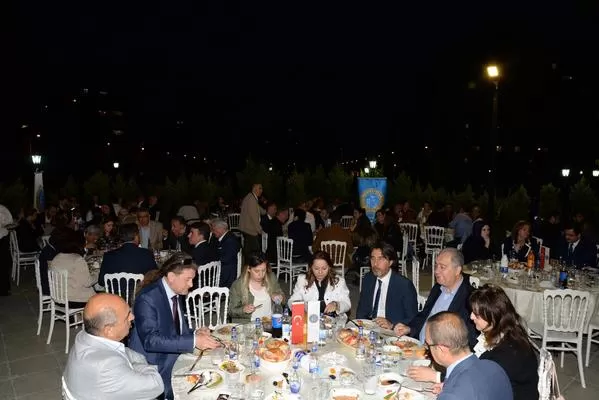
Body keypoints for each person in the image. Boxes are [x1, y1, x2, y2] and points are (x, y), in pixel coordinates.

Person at [128, 253, 220, 400]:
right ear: (171, 276)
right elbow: (151, 341)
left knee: (212, 370)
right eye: (187, 279)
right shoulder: (147, 298)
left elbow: (175, 328)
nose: (191, 285)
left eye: (192, 279)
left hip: (170, 354)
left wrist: (195, 333)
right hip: (153, 364)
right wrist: (194, 341)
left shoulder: (174, 292)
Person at [63, 293, 164, 399]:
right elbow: (156, 385)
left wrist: (134, 362)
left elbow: (126, 352)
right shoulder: (108, 366)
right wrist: (142, 366)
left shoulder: (83, 337)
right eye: (127, 316)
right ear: (109, 330)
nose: (132, 317)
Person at [393, 248, 478, 347]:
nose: (436, 271)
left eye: (442, 267)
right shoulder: (438, 288)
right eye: (436, 265)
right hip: (418, 346)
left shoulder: (470, 298)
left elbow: (468, 339)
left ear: (457, 270)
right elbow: (424, 315)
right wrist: (409, 328)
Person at [425, 311, 513, 400]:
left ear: (441, 349)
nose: (427, 348)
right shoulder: (494, 366)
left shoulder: (452, 395)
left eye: (428, 344)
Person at [356, 242, 418, 329]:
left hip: (392, 331)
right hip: (369, 327)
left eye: (380, 259)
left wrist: (392, 325)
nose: (375, 264)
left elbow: (413, 318)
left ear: (390, 262)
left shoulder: (404, 285)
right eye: (373, 259)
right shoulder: (368, 279)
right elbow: (361, 310)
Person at [287, 251, 351, 315]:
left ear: (329, 267)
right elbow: (291, 301)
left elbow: (347, 303)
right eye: (316, 268)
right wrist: (299, 305)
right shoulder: (302, 280)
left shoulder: (339, 281)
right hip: (309, 317)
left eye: (324, 268)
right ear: (311, 268)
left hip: (332, 318)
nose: (320, 272)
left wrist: (336, 305)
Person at [229, 252, 285, 323]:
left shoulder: (271, 278)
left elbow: (282, 298)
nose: (261, 274)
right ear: (248, 269)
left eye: (263, 270)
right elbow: (231, 311)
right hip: (249, 325)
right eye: (256, 271)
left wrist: (279, 297)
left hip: (269, 322)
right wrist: (243, 309)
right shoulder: (238, 285)